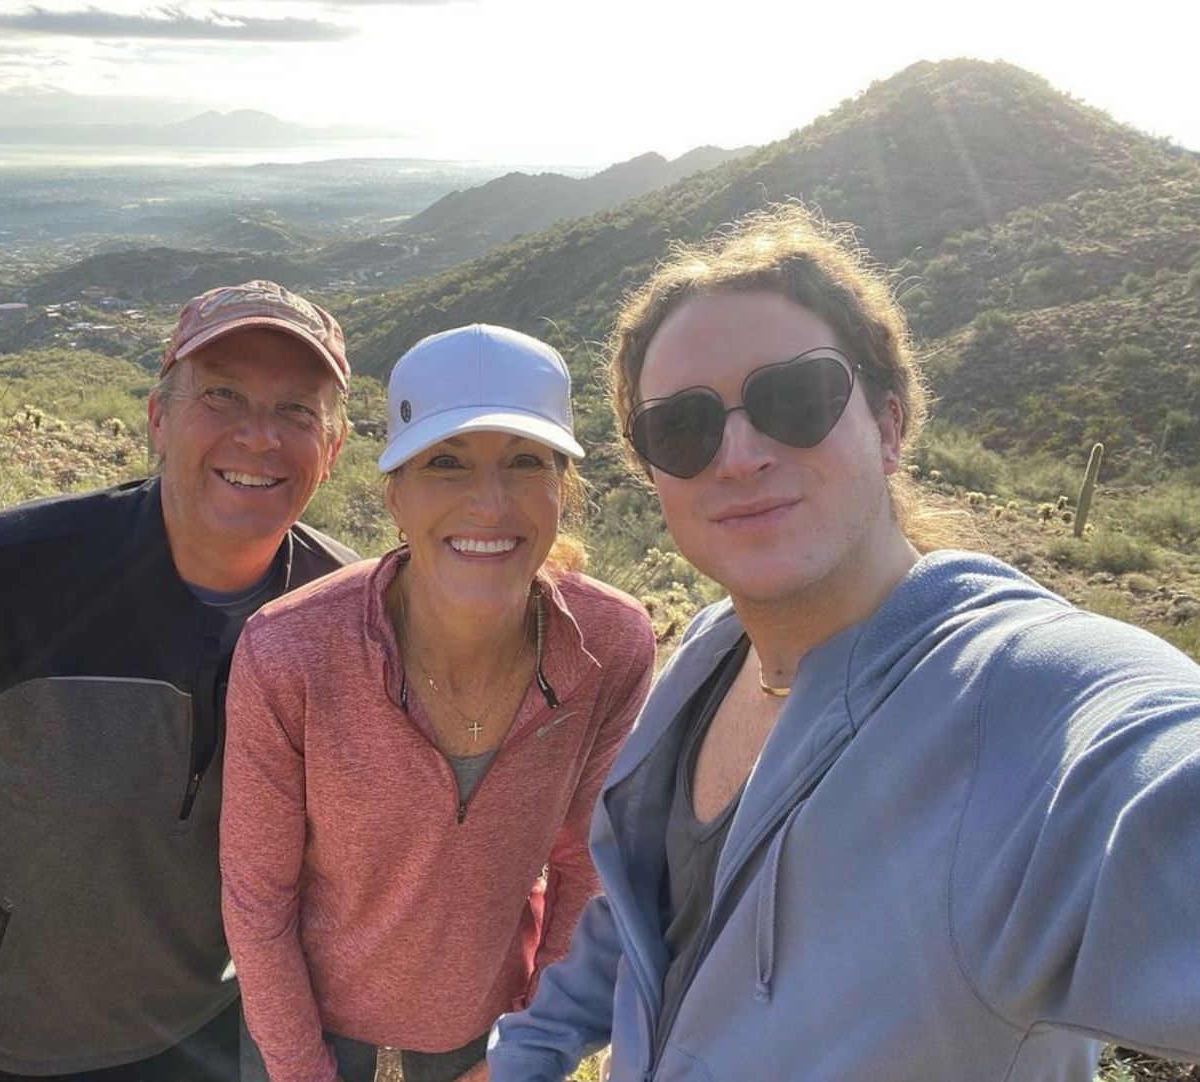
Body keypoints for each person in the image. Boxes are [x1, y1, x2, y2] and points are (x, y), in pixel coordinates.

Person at [486, 206, 1200, 1081]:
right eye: (683, 428)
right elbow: (644, 914)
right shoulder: (713, 654)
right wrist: (527, 1051)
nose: (739, 454)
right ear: (652, 471)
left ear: (890, 425)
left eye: (796, 399)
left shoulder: (1022, 695)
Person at [0, 280, 358, 1082]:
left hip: (219, 1023)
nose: (259, 435)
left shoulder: (346, 614)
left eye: (297, 412)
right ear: (157, 418)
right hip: (27, 1036)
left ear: (334, 447)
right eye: (222, 395)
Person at [220, 324, 657, 1082]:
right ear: (396, 496)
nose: (488, 504)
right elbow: (258, 898)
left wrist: (533, 1046)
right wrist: (301, 1071)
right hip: (302, 1032)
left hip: (482, 1036)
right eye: (446, 464)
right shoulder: (289, 653)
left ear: (564, 490)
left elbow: (586, 868)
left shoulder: (610, 648)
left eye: (526, 463)